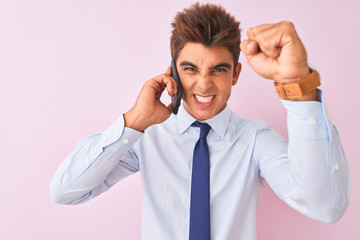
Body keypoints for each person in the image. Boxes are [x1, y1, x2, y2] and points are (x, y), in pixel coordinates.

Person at [50, 3, 350, 240]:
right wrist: (137, 120)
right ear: (172, 70)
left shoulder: (255, 139)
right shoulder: (146, 136)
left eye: (218, 70)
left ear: (235, 74)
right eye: (190, 68)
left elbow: (324, 207)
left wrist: (299, 86)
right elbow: (65, 191)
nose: (204, 85)